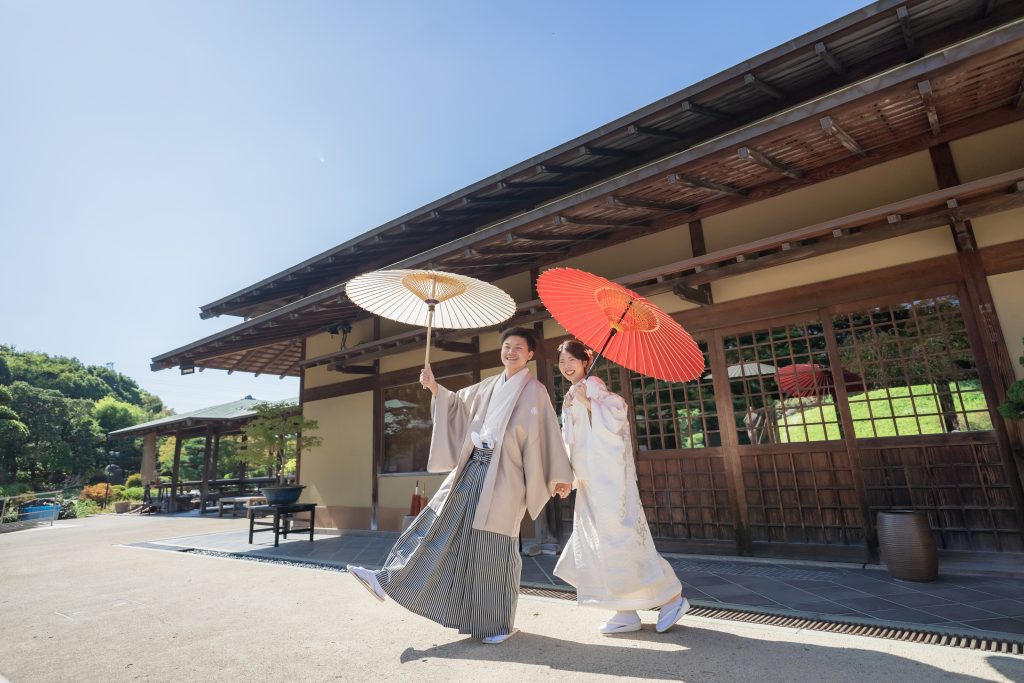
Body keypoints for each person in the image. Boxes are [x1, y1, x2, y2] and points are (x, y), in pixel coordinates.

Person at [347, 326, 573, 644]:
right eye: (507, 346)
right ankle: (390, 580)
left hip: (505, 477)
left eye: (519, 348)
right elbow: (457, 406)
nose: (511, 352)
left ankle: (497, 625)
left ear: (530, 354)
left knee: (494, 549)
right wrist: (434, 388)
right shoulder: (490, 385)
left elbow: (547, 434)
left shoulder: (535, 391)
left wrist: (559, 477)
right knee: (438, 525)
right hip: (472, 468)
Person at [552, 340, 690, 635]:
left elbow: (617, 412)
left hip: (608, 482)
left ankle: (671, 596)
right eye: (562, 361)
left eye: (571, 360)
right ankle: (624, 610)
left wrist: (589, 402)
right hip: (590, 481)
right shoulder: (570, 393)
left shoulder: (593, 383)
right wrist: (567, 478)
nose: (566, 366)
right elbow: (571, 441)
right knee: (597, 546)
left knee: (623, 542)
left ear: (585, 361)